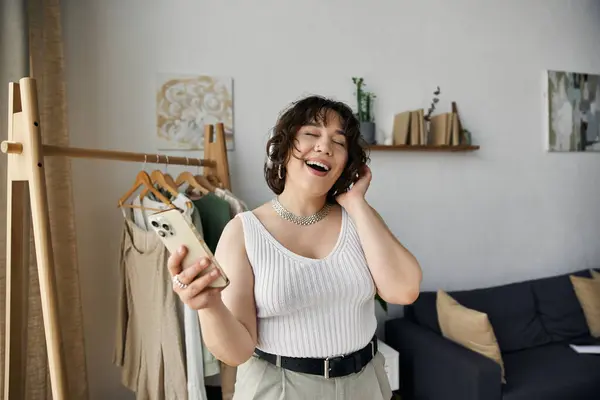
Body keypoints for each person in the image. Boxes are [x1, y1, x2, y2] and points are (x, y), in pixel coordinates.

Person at [167, 95, 422, 399]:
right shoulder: (244, 231)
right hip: (280, 388)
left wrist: (356, 201)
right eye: (311, 134)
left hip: (365, 383)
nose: (324, 146)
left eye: (338, 142)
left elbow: (404, 290)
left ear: (346, 164)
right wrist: (208, 307)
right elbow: (236, 352)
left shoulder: (358, 219)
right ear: (284, 147)